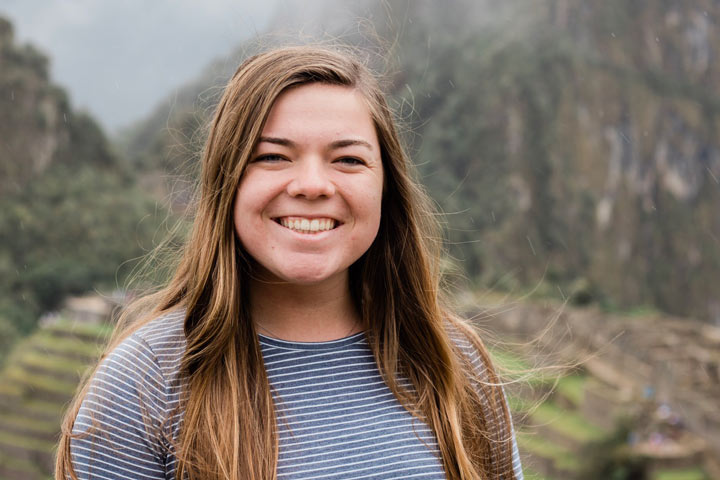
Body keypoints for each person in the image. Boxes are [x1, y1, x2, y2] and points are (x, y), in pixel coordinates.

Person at [55, 46, 523, 480]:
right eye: (274, 156)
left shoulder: (452, 364)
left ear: (386, 188)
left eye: (348, 160)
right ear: (228, 181)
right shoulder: (143, 387)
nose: (313, 185)